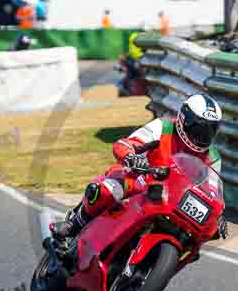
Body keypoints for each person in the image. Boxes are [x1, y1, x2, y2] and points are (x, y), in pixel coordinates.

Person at [53, 94, 227, 240]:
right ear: (184, 120)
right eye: (199, 128)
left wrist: (217, 217)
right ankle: (74, 224)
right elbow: (127, 144)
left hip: (174, 201)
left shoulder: (212, 157)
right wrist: (132, 157)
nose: (203, 136)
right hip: (139, 180)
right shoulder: (163, 127)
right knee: (108, 190)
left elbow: (211, 193)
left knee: (195, 238)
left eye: (209, 131)